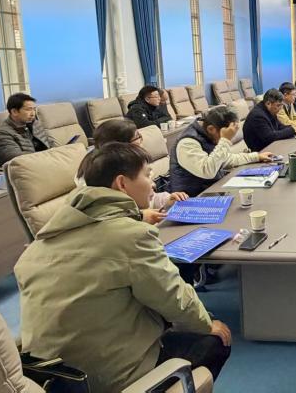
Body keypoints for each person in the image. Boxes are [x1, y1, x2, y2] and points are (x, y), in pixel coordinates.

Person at [15, 143, 232, 392]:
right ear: (121, 183)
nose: (153, 184)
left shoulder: (38, 245)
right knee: (214, 338)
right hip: (105, 377)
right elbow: (173, 297)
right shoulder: (130, 236)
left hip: (51, 377)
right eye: (147, 175)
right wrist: (207, 325)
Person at [84, 119, 188, 226]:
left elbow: (149, 198)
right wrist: (140, 216)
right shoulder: (98, 176)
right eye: (137, 137)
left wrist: (166, 201)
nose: (141, 141)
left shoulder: (134, 165)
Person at [170, 106, 278, 196]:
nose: (228, 137)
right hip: (193, 200)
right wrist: (225, 140)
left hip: (212, 191)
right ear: (211, 129)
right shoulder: (187, 142)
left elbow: (225, 159)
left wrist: (256, 156)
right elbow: (207, 171)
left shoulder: (207, 134)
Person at [0, 93, 59, 166]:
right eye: (28, 109)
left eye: (34, 109)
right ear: (14, 112)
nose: (33, 114)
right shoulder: (1, 134)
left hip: (48, 162)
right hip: (27, 168)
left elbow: (50, 144)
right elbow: (19, 159)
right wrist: (49, 159)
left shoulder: (35, 123)